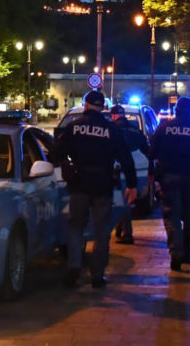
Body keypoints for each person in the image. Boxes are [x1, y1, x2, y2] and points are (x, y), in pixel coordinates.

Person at [55, 89, 138, 289]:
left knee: (75, 226)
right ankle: (97, 275)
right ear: (103, 108)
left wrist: (66, 166)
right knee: (102, 231)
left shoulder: (73, 127)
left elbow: (56, 153)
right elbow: (126, 159)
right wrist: (133, 185)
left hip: (79, 183)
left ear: (85, 105)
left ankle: (74, 265)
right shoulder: (112, 130)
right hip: (102, 184)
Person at [151, 96, 190, 272]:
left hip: (169, 178)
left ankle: (175, 253)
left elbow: (152, 151)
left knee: (171, 216)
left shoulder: (164, 128)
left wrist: (155, 174)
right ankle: (187, 252)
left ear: (176, 110)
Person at [109, 104, 149, 244]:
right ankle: (120, 228)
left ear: (113, 115)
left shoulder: (113, 129)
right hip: (139, 170)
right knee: (123, 200)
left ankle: (127, 234)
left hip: (119, 169)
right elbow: (146, 150)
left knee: (122, 201)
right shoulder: (136, 130)